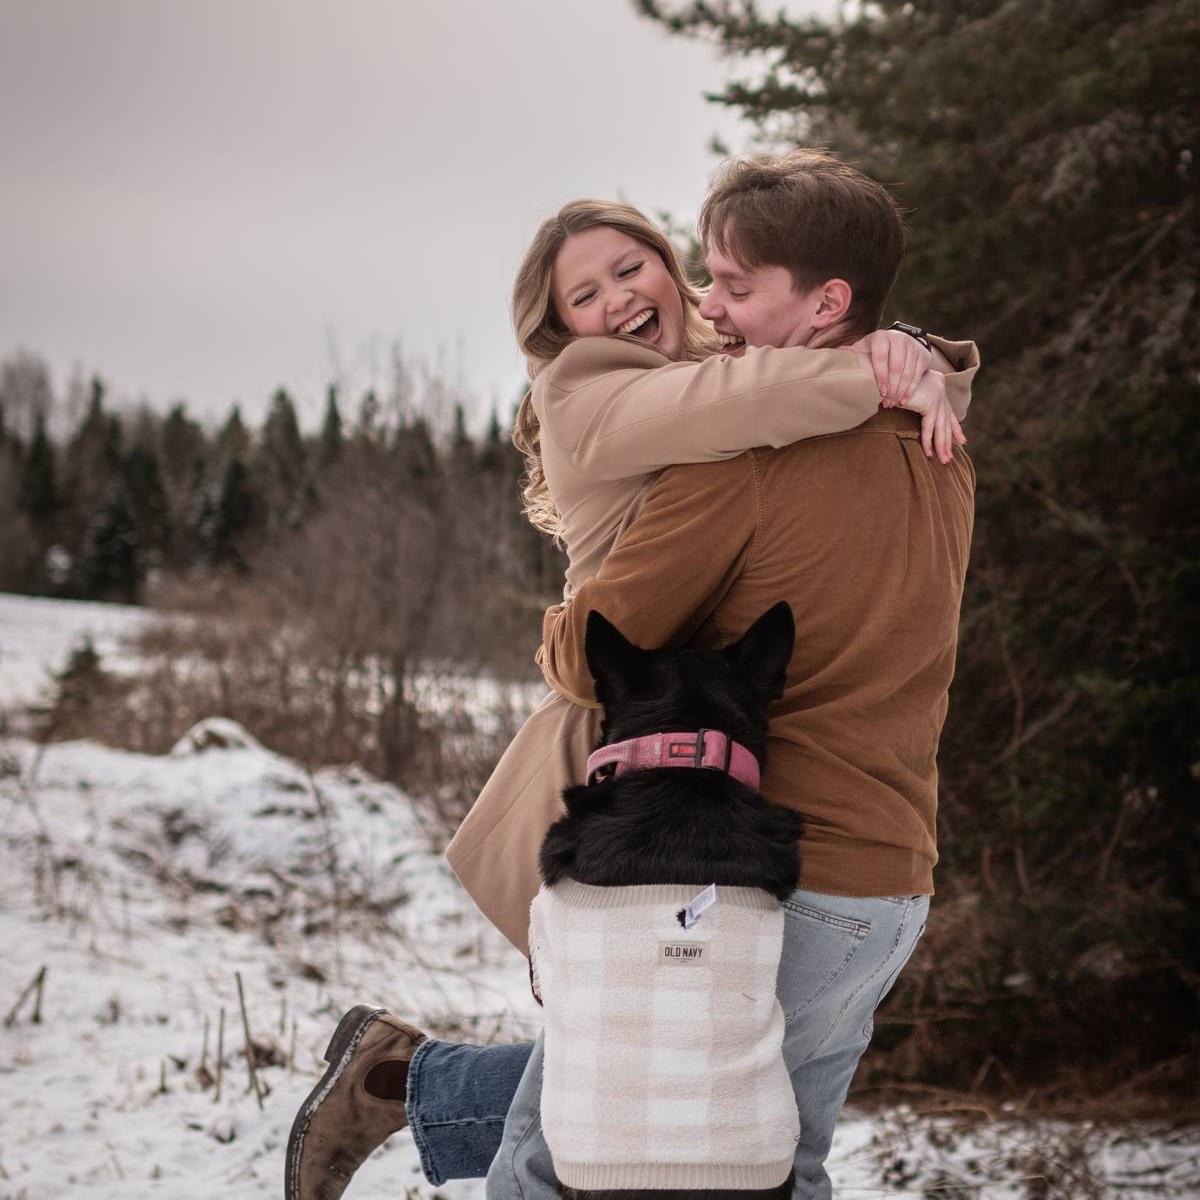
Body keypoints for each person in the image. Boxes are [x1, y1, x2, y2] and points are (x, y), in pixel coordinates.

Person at [285, 151, 978, 1200]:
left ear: (827, 302)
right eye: (709, 279)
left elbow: (598, 642)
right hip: (886, 874)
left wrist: (565, 635)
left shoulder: (747, 462)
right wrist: (915, 355)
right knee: (745, 1158)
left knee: (589, 1147)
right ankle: (405, 1084)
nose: (712, 304)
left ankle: (405, 1083)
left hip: (771, 873)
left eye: (733, 284)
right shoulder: (941, 442)